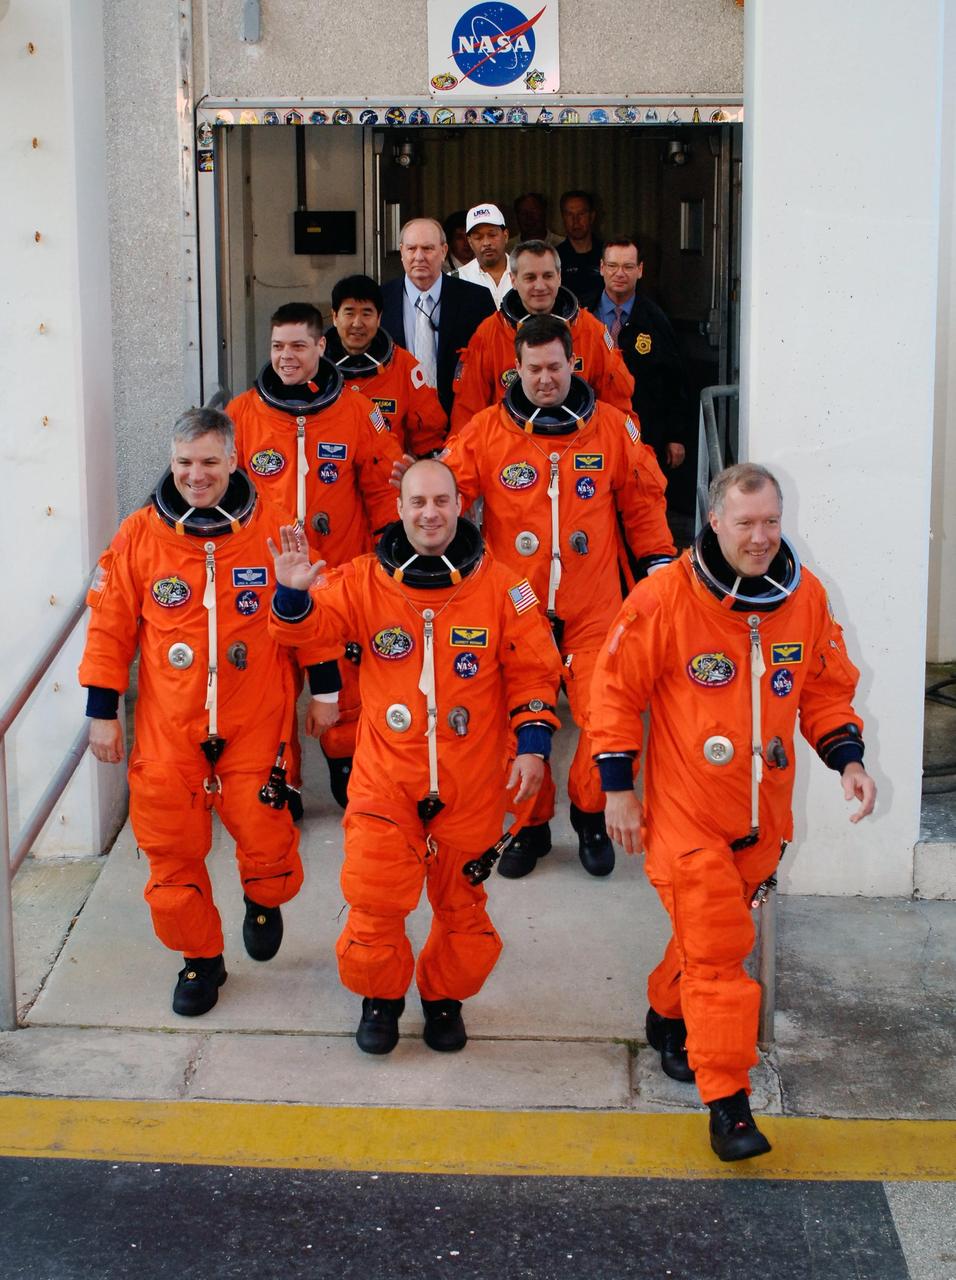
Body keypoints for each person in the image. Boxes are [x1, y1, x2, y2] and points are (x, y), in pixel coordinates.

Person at [589, 463, 877, 1161]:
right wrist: (618, 789)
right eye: (745, 522)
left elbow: (825, 690)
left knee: (709, 939)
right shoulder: (665, 598)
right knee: (721, 950)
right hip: (687, 815)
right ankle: (729, 1105)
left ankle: (666, 1012)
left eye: (771, 521)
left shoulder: (804, 598)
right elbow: (614, 692)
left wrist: (849, 761)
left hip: (760, 821)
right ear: (714, 521)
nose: (760, 537)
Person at [268, 459, 562, 1054]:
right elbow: (306, 632)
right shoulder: (362, 580)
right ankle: (380, 998)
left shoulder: (505, 587)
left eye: (441, 501)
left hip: (469, 783)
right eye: (418, 502)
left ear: (461, 506)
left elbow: (535, 673)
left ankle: (444, 998)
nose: (430, 513)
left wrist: (533, 747)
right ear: (399, 509)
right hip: (386, 780)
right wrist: (292, 594)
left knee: (463, 912)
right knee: (375, 897)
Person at [78, 409, 320, 1017]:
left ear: (234, 460)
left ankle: (263, 900)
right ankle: (200, 959)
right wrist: (102, 709)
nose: (196, 475)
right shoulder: (139, 535)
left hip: (253, 717)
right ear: (171, 462)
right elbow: (109, 626)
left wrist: (325, 690)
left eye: (210, 461)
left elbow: (315, 613)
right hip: (170, 727)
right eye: (184, 462)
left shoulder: (274, 527)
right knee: (169, 849)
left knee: (266, 833)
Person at [441, 315, 675, 879]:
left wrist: (660, 572)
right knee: (509, 727)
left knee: (608, 719)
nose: (545, 379)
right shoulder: (487, 431)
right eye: (533, 369)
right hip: (517, 612)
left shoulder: (613, 428)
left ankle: (590, 816)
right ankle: (531, 823)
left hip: (594, 608)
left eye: (554, 367)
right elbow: (446, 498)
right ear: (515, 370)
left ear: (574, 364)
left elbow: (644, 505)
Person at [227, 302, 402, 809]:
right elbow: (221, 493)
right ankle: (282, 775)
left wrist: (386, 557)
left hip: (338, 573)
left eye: (299, 346)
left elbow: (382, 487)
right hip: (268, 578)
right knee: (273, 685)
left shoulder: (356, 410)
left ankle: (345, 761)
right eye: (278, 346)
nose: (286, 356)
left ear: (322, 346)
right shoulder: (242, 414)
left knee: (345, 679)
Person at [450, 240, 635, 432]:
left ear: (559, 277)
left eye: (548, 276)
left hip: (578, 443)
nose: (540, 286)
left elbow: (619, 408)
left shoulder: (591, 331)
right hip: (510, 443)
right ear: (513, 280)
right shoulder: (490, 334)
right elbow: (466, 413)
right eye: (530, 277)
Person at [584, 236, 688, 472]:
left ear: (640, 270)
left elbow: (675, 381)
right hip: (589, 429)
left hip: (645, 431)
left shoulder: (656, 320)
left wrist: (676, 435)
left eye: (628, 266)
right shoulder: (582, 314)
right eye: (613, 266)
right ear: (602, 268)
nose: (620, 273)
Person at [380, 217, 496, 420]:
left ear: (443, 251)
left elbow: (491, 365)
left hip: (461, 420)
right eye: (411, 249)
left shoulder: (476, 299)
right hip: (396, 422)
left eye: (427, 248)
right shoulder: (380, 300)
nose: (419, 257)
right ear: (401, 252)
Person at [326, 274, 447, 456]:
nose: (357, 323)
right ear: (335, 317)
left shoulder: (403, 365)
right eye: (349, 313)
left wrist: (425, 465)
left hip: (386, 470)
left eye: (367, 313)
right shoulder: (314, 366)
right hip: (329, 469)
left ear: (379, 318)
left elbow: (428, 435)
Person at [453, 203, 513, 309]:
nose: (486, 243)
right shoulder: (457, 279)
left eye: (492, 235)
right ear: (470, 242)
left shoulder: (527, 273)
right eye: (478, 237)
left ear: (505, 235)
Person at [557, 190, 604, 300]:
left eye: (581, 214)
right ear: (563, 218)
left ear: (592, 216)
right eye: (569, 214)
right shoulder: (554, 258)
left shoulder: (607, 254)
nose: (576, 221)